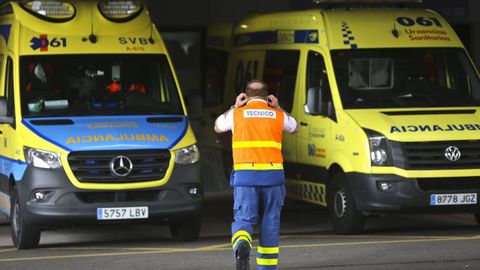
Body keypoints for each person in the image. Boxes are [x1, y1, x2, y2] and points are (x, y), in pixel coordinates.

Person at [214, 80, 298, 270]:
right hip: (273, 176)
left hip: (246, 176)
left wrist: (234, 106)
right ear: (268, 96)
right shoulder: (277, 115)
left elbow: (218, 127)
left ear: (245, 95)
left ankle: (242, 244)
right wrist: (278, 107)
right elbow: (295, 127)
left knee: (244, 218)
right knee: (271, 221)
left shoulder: (236, 114)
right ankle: (267, 267)